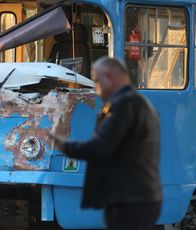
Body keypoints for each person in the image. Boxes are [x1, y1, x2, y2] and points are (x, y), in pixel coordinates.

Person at [49, 57, 162, 230]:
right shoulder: (137, 103)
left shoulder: (123, 105)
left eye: (96, 80)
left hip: (130, 199)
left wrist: (63, 145)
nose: (95, 87)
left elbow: (101, 147)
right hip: (138, 196)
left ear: (109, 78)